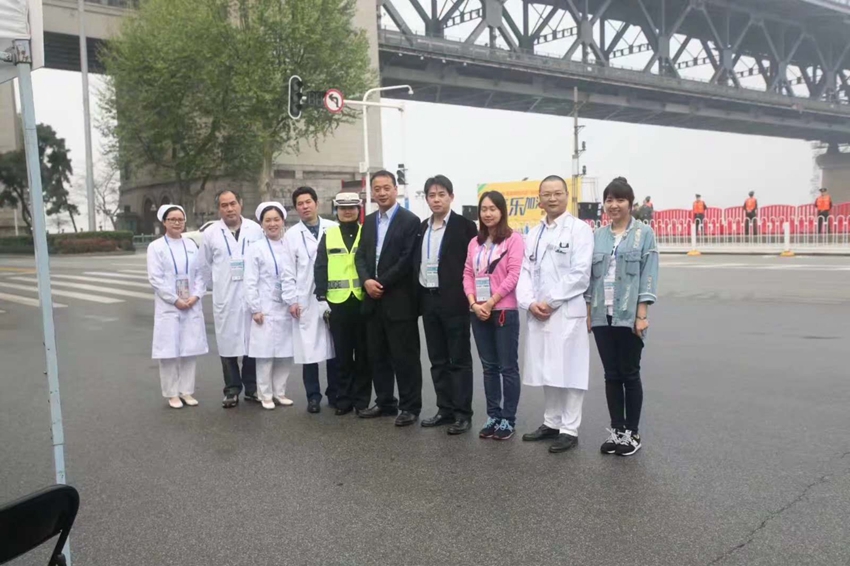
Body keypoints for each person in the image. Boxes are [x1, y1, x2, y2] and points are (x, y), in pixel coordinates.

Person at [516, 176, 594, 454]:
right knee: (547, 367)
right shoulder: (534, 233)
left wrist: (549, 301)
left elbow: (580, 274)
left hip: (566, 311)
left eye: (557, 193)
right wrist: (529, 302)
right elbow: (525, 271)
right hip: (540, 312)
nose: (552, 198)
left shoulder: (580, 230)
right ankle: (551, 421)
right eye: (546, 194)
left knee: (571, 370)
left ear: (566, 196)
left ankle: (569, 428)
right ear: (539, 199)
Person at [586, 177, 659, 456]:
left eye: (620, 200)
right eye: (609, 200)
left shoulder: (644, 234)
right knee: (611, 374)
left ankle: (632, 433)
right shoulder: (598, 235)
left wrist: (642, 315)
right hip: (601, 315)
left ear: (630, 203)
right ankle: (617, 430)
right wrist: (589, 312)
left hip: (628, 315)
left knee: (629, 373)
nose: (614, 205)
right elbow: (591, 278)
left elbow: (648, 274)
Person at [354, 170, 423, 426]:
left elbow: (406, 260)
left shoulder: (410, 221)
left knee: (405, 357)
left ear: (396, 189)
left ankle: (410, 407)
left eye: (386, 188)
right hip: (373, 301)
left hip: (399, 301)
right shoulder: (370, 221)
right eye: (377, 189)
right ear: (372, 192)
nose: (382, 193)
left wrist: (380, 283)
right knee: (378, 355)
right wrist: (366, 281)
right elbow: (360, 256)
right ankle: (385, 402)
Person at [415, 175, 479, 435]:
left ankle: (463, 413)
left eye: (441, 194)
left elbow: (474, 265)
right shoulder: (422, 228)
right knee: (437, 359)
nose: (436, 199)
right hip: (429, 299)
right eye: (432, 195)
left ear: (451, 196)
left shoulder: (465, 227)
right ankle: (445, 409)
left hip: (455, 301)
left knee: (459, 359)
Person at [463, 191, 524, 440]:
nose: (488, 214)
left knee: (508, 368)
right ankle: (493, 416)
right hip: (478, 312)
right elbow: (468, 274)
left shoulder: (513, 240)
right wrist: (473, 303)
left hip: (503, 311)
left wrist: (490, 302)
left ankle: (508, 420)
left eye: (493, 209)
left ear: (502, 211)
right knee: (489, 368)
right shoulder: (474, 242)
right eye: (484, 209)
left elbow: (513, 275)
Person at [198, 190, 265, 408]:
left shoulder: (255, 230)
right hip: (225, 297)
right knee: (227, 345)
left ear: (240, 204)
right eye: (224, 205)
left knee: (252, 343)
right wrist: (219, 285)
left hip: (251, 295)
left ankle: (252, 388)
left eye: (233, 203)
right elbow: (204, 266)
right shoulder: (211, 233)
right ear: (219, 208)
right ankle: (232, 389)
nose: (229, 209)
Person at [314, 192, 372, 416]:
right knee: (342, 355)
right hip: (337, 303)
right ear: (336, 210)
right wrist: (321, 297)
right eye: (342, 208)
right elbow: (320, 266)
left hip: (362, 301)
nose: (347, 211)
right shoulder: (329, 235)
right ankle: (344, 399)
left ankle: (362, 400)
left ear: (359, 210)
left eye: (352, 207)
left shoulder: (367, 233)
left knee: (364, 354)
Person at [282, 186, 338, 414]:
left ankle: (335, 393)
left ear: (316, 203)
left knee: (334, 348)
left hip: (333, 295)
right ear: (296, 208)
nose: (305, 206)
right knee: (309, 350)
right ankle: (313, 396)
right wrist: (291, 300)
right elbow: (287, 271)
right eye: (300, 204)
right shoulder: (291, 235)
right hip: (304, 297)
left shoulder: (333, 228)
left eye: (308, 202)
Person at [146, 205, 208, 409]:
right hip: (170, 307)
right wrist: (174, 299)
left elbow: (201, 273)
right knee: (169, 352)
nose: (177, 222)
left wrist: (196, 295)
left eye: (180, 219)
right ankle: (172, 393)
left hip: (191, 304)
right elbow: (155, 279)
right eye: (172, 219)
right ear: (164, 222)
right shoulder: (156, 247)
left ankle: (186, 391)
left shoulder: (191, 245)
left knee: (189, 350)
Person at [244, 202, 295, 410]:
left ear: (282, 221)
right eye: (268, 220)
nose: (272, 224)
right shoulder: (255, 248)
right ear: (261, 224)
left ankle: (279, 392)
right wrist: (255, 308)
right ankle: (265, 394)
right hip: (265, 307)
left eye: (276, 219)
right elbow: (250, 280)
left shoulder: (289, 245)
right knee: (265, 354)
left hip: (286, 306)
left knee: (285, 353)